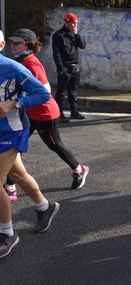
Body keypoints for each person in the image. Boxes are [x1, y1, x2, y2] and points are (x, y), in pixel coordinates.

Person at [0, 30, 60, 259]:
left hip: (12, 129)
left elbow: (43, 94)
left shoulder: (14, 68)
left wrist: (14, 104)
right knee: (18, 175)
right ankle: (45, 207)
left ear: (1, 45)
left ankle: (7, 233)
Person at [7, 28, 90, 191]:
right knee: (16, 145)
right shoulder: (23, 61)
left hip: (45, 114)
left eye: (16, 43)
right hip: (30, 112)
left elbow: (44, 92)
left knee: (54, 144)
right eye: (11, 42)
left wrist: (17, 102)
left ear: (27, 45)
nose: (12, 46)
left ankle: (79, 170)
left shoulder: (31, 64)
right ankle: (10, 184)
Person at [52, 12, 86, 123]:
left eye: (76, 24)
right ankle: (59, 114)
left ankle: (74, 111)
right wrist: (60, 68)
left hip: (75, 66)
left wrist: (76, 34)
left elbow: (83, 45)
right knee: (61, 92)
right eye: (73, 23)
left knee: (73, 91)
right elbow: (56, 54)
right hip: (65, 67)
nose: (74, 26)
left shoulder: (74, 35)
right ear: (67, 23)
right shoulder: (58, 35)